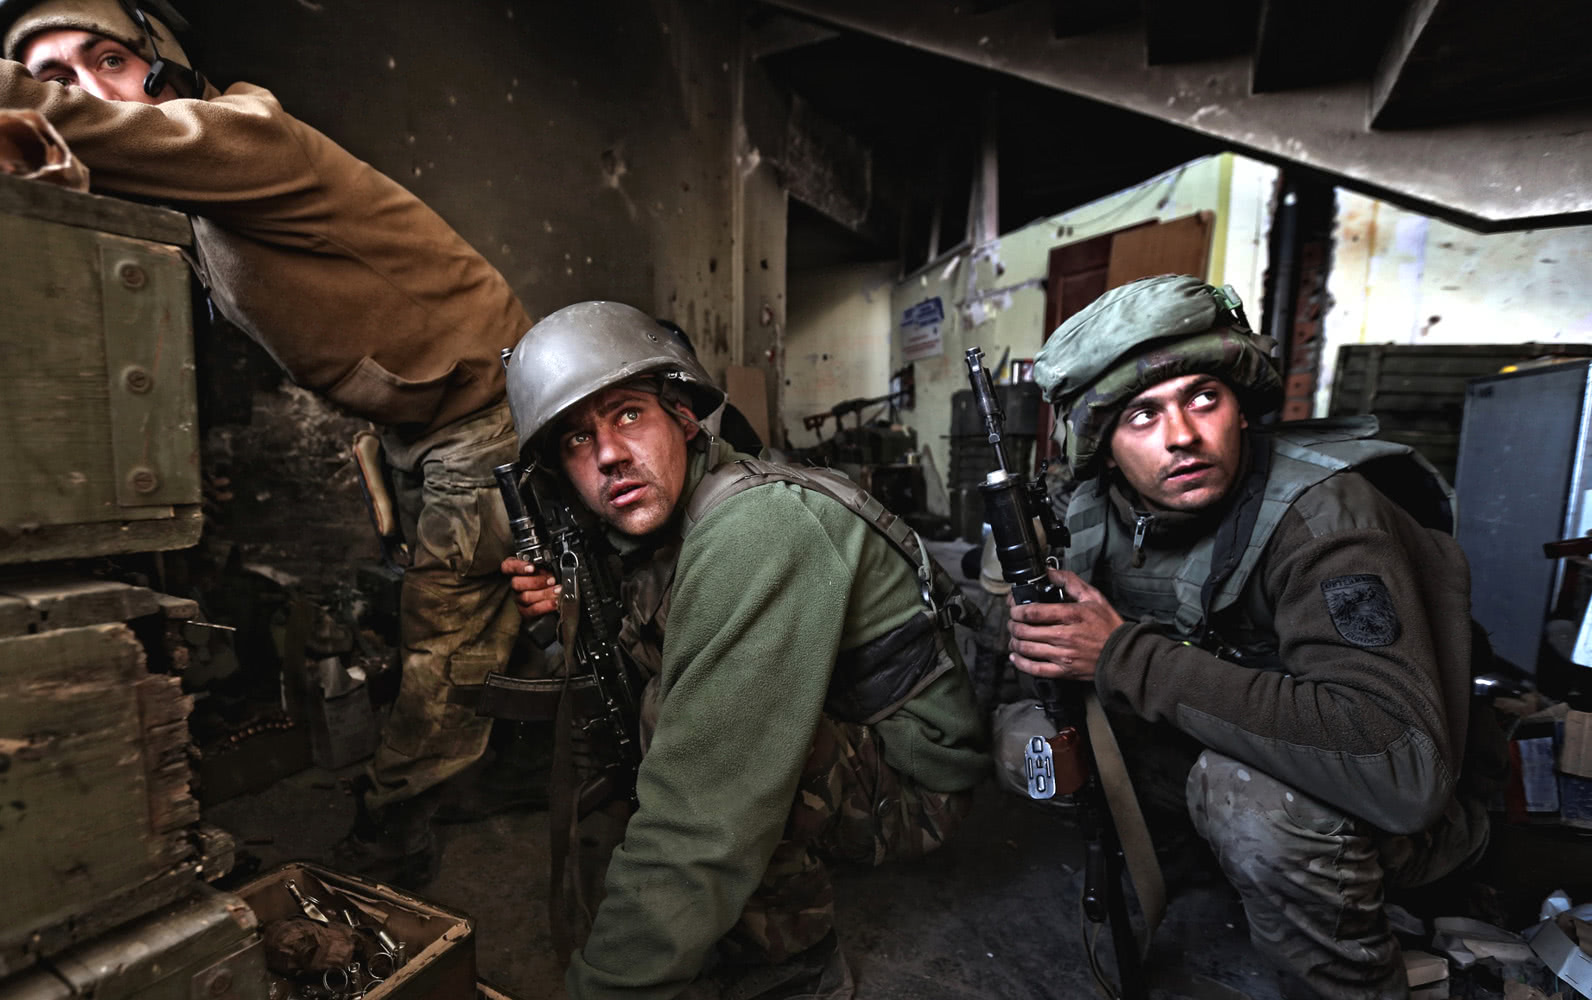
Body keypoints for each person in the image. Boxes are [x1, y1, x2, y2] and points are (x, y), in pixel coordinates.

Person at [0, 0, 535, 885]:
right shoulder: (196, 201)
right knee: (460, 611)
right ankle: (492, 766)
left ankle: (395, 836)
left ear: (166, 62)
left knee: (445, 635)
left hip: (484, 413)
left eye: (107, 59)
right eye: (56, 78)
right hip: (415, 423)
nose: (87, 93)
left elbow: (76, 127)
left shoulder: (249, 137)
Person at [1007, 274, 1502, 999]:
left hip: (1401, 814)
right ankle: (1205, 862)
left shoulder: (1326, 519)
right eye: (1142, 416)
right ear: (1105, 449)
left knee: (1253, 804)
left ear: (1241, 409)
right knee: (1032, 740)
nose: (1182, 436)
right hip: (1224, 749)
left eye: (1203, 398)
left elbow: (1401, 769)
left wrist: (1120, 655)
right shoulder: (1093, 511)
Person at [501, 301, 990, 999]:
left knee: (698, 746)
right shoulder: (655, 526)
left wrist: (607, 988)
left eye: (629, 415)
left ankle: (793, 965)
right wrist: (570, 614)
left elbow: (702, 807)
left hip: (918, 777)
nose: (608, 454)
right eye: (578, 439)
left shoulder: (755, 527)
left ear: (684, 417)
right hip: (846, 729)